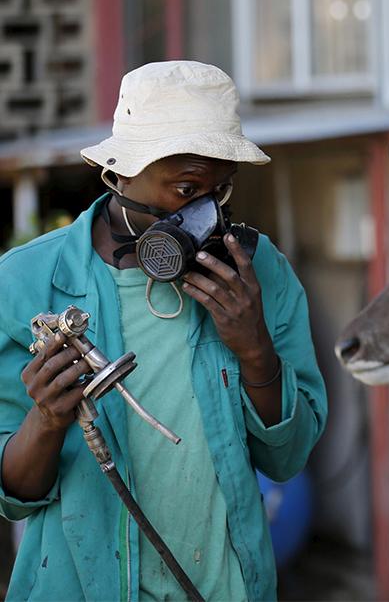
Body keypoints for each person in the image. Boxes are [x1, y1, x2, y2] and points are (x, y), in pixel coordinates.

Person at [0, 61, 328, 600]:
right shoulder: (28, 281)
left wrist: (254, 350)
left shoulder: (258, 270)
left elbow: (287, 459)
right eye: (185, 188)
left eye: (220, 191)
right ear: (121, 172)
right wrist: (47, 418)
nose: (206, 214)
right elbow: (14, 494)